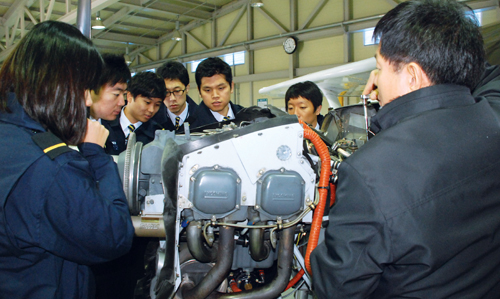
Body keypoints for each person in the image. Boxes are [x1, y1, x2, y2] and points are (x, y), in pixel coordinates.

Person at [311, 1, 500, 298]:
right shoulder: (493, 118)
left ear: (412, 75)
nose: (376, 81)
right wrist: (456, 58)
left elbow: (338, 288)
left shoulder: (369, 172)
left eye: (379, 67)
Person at [0, 21, 134, 298]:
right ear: (61, 86)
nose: (86, 102)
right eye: (85, 88)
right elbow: (113, 235)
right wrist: (96, 154)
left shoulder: (11, 137)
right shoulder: (49, 168)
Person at [102, 71, 166, 155]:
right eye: (147, 102)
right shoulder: (104, 123)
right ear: (129, 96)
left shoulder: (157, 134)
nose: (151, 110)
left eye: (157, 105)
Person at [191, 57, 243, 128]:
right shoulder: (191, 126)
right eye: (208, 90)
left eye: (221, 88)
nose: (215, 95)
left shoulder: (248, 117)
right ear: (199, 91)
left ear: (231, 87)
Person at [154, 61, 198, 133]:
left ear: (187, 88)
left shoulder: (201, 117)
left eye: (177, 91)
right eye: (166, 92)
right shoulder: (153, 122)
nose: (172, 98)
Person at [89, 53, 131, 121]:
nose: (122, 103)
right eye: (116, 94)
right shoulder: (70, 127)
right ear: (93, 88)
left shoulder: (112, 128)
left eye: (124, 94)